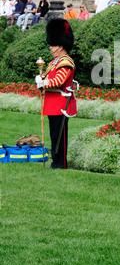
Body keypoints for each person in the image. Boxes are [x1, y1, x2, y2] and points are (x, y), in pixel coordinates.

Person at [35, 18, 77, 169]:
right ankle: (55, 160)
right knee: (54, 135)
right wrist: (41, 80)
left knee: (60, 136)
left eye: (53, 45)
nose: (50, 48)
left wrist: (43, 83)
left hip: (61, 104)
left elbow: (59, 81)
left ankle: (61, 163)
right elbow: (48, 78)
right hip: (53, 104)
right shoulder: (54, 62)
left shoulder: (66, 62)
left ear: (60, 46)